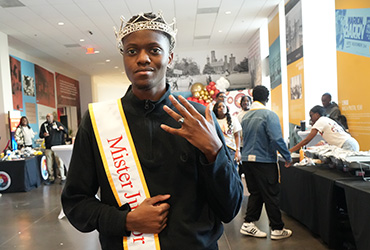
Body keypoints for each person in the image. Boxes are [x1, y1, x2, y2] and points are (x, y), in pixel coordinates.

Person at [61, 11, 243, 250]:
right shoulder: (97, 121)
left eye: (154, 50)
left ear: (170, 57)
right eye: (132, 51)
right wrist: (125, 220)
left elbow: (229, 208)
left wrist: (214, 151)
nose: (143, 58)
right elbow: (75, 202)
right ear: (124, 58)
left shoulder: (199, 116)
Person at [240, 85, 292, 240]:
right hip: (264, 161)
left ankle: (248, 223)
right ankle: (277, 228)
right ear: (267, 98)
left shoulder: (245, 117)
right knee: (271, 193)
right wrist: (287, 156)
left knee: (256, 193)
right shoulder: (269, 115)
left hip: (247, 160)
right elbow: (276, 139)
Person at [289, 105, 359, 152]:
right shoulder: (327, 119)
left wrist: (290, 151)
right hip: (351, 143)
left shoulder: (320, 121)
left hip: (347, 145)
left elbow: (306, 140)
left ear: (317, 114)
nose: (310, 118)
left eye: (311, 115)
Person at [39, 113, 67, 184]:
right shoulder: (44, 125)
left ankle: (62, 177)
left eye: (49, 117)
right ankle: (51, 178)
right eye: (47, 117)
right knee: (49, 164)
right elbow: (40, 135)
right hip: (48, 147)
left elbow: (66, 131)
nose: (48, 118)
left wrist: (62, 129)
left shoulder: (58, 123)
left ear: (52, 117)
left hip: (58, 147)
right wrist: (43, 135)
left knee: (60, 163)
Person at [213, 101, 242, 167]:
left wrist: (238, 150)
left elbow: (237, 136)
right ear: (216, 109)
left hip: (231, 149)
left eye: (223, 106)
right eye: (219, 107)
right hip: (218, 149)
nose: (222, 108)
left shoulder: (233, 119)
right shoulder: (213, 121)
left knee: (232, 170)